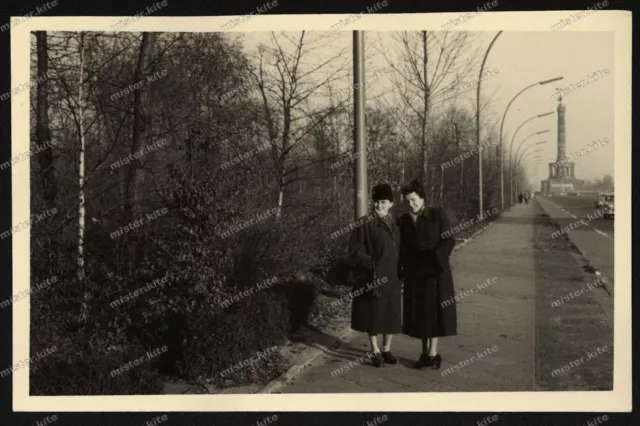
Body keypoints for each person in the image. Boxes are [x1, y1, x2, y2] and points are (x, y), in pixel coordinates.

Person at [398, 180, 456, 370]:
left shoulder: (438, 214)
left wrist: (435, 260)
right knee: (419, 313)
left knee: (434, 313)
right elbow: (403, 248)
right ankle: (424, 353)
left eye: (413, 200)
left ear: (422, 198)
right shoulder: (404, 221)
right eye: (407, 201)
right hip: (416, 274)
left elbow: (448, 241)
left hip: (436, 273)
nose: (411, 205)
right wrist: (403, 269)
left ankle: (434, 353)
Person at [348, 183, 402, 367]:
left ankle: (386, 349)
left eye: (384, 202)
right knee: (374, 314)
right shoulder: (365, 223)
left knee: (391, 313)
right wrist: (372, 265)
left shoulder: (396, 223)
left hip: (393, 276)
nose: (380, 206)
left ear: (391, 203)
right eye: (377, 202)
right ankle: (375, 350)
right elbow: (356, 250)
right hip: (374, 277)